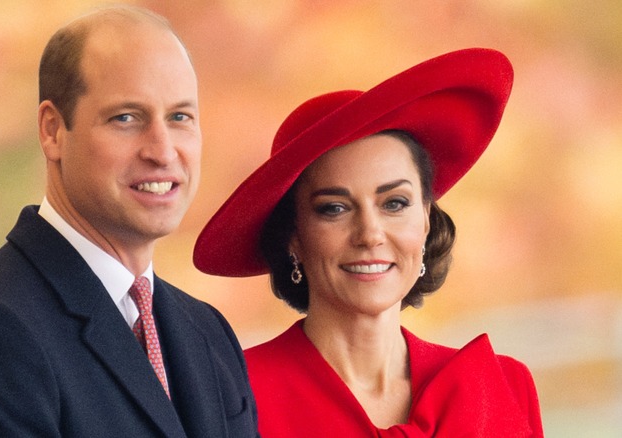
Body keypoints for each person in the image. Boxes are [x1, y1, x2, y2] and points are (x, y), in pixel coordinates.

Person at [0, 5, 257, 437]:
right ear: (52, 130)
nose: (163, 151)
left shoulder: (207, 332)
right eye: (126, 118)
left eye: (180, 117)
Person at [193, 48, 543, 437]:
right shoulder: (230, 397)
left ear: (426, 219)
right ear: (292, 235)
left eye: (394, 203)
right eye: (334, 208)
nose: (370, 234)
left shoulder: (505, 387)